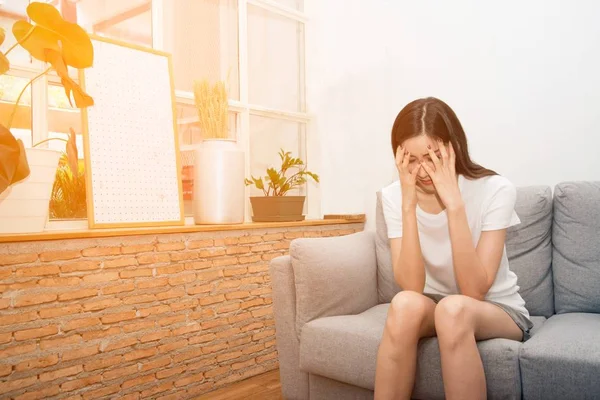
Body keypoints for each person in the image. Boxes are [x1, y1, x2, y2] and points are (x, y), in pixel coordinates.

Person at [374, 97, 533, 400]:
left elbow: (473, 290)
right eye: (412, 159)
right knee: (403, 304)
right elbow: (411, 286)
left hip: (496, 309)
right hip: (434, 305)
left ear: (453, 147)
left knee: (453, 309)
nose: (422, 171)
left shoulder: (495, 190)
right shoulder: (393, 197)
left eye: (432, 156)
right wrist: (408, 206)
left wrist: (454, 205)